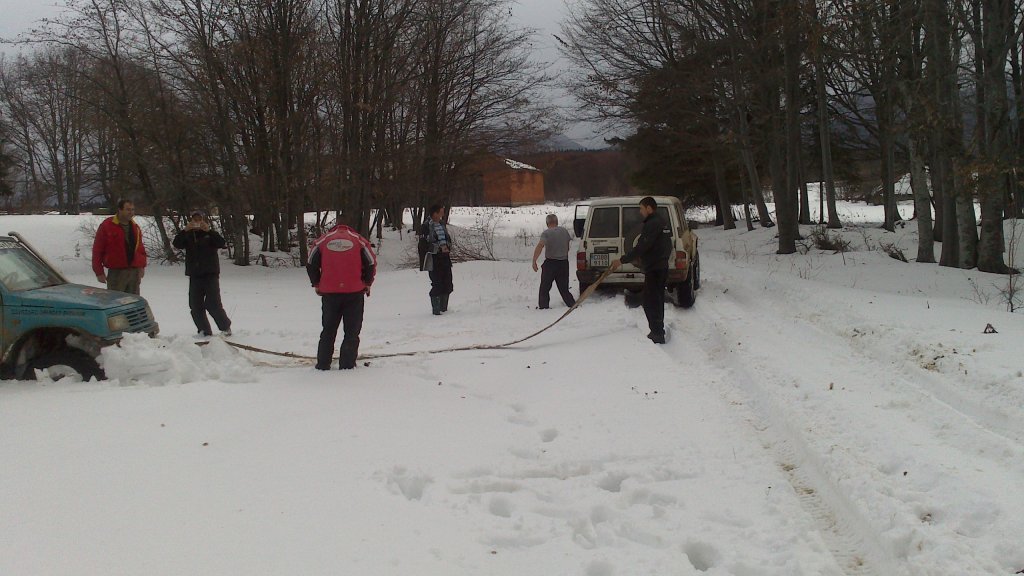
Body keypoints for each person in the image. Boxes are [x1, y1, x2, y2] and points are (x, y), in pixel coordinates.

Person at [307, 217, 377, 370]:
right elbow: (371, 262)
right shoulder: (359, 240)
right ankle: (347, 365)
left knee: (328, 330)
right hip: (354, 292)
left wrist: (316, 283)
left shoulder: (323, 240)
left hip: (329, 293)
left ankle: (323, 364)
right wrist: (367, 283)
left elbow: (311, 262)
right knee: (352, 331)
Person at [610, 196, 672, 344]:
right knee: (655, 300)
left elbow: (642, 246)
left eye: (641, 208)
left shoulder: (652, 224)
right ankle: (657, 331)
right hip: (660, 266)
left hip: (655, 268)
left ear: (649, 208)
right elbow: (664, 245)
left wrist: (622, 260)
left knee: (651, 301)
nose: (640, 212)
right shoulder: (662, 222)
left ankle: (657, 333)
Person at [172, 210, 232, 338]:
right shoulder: (188, 235)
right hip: (195, 275)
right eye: (195, 219)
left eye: (200, 219)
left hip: (210, 274)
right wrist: (185, 230)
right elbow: (176, 244)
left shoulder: (210, 234)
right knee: (195, 305)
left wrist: (209, 231)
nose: (197, 222)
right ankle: (204, 330)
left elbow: (221, 243)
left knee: (213, 303)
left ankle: (225, 327)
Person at [92, 199, 147, 295]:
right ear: (120, 210)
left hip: (133, 272)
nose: (131, 212)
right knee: (115, 302)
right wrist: (99, 271)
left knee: (133, 302)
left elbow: (140, 249)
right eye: (128, 209)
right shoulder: (107, 226)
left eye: (133, 210)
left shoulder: (135, 227)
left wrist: (141, 266)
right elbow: (97, 250)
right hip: (116, 272)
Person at [532, 214, 576, 309]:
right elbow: (567, 247)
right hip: (564, 263)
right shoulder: (564, 231)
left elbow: (540, 245)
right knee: (564, 288)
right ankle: (572, 304)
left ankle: (544, 307)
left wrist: (534, 260)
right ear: (557, 222)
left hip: (550, 264)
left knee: (545, 287)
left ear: (547, 223)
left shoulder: (546, 233)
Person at [418, 203, 454, 315]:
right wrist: (438, 248)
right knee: (437, 283)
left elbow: (447, 239)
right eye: (441, 211)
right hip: (434, 259)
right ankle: (436, 310)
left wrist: (447, 246)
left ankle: (444, 309)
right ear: (435, 213)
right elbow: (423, 245)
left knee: (448, 283)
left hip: (445, 258)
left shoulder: (442, 224)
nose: (443, 213)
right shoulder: (426, 226)